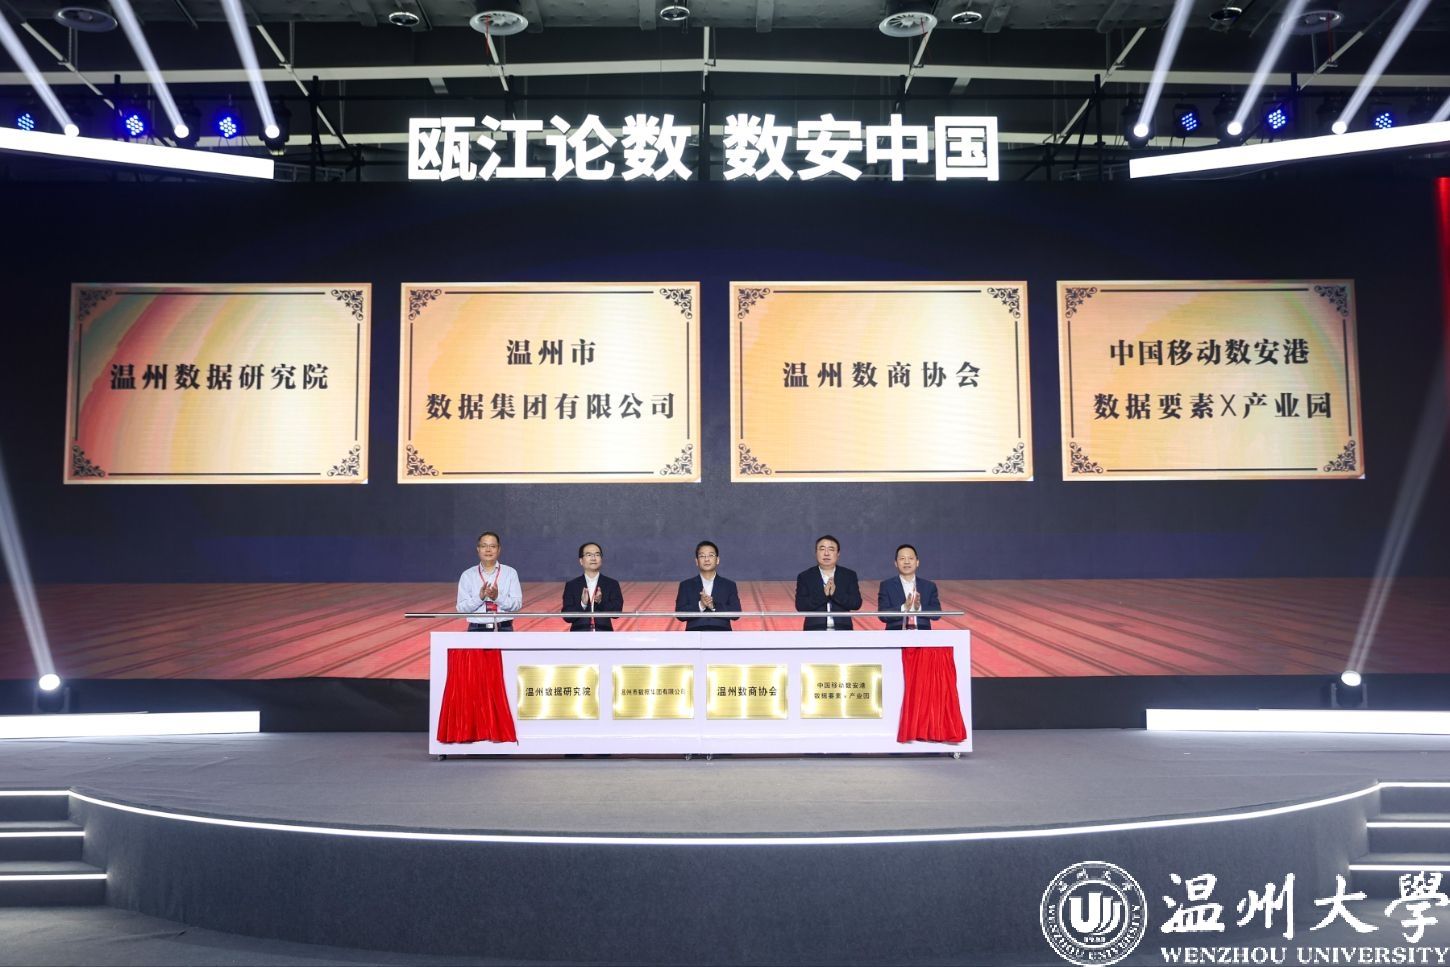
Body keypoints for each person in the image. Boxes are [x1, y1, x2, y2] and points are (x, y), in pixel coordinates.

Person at [456, 531, 522, 631]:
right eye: (484, 546)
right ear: (478, 549)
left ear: (499, 549)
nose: (488, 550)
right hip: (476, 631)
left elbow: (517, 605)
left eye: (492, 546)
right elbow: (461, 609)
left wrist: (497, 597)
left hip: (504, 629)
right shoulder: (467, 575)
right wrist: (479, 598)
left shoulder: (510, 573)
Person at [794, 534, 862, 631]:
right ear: (816, 553)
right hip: (814, 630)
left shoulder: (849, 575)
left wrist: (836, 593)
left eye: (831, 549)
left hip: (843, 630)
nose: (826, 553)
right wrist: (823, 594)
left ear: (838, 553)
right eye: (822, 549)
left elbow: (856, 603)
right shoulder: (805, 576)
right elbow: (800, 606)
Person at [675, 540, 741, 631]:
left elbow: (736, 613)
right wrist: (701, 605)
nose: (706, 559)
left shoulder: (729, 585)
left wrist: (714, 606)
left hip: (722, 635)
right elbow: (679, 614)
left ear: (717, 560)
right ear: (696, 561)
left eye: (711, 555)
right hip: (694, 634)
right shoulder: (686, 585)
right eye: (702, 556)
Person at [561, 542, 624, 631]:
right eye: (589, 555)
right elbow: (567, 617)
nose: (593, 558)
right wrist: (583, 604)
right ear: (581, 561)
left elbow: (617, 613)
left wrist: (601, 602)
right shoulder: (572, 585)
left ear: (601, 559)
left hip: (604, 635)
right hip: (579, 635)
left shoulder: (612, 584)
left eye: (597, 555)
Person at [878, 543, 941, 630]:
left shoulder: (929, 586)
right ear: (896, 563)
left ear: (917, 562)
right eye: (902, 558)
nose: (907, 562)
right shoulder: (887, 586)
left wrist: (919, 608)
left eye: (911, 558)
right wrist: (904, 608)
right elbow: (882, 615)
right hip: (895, 635)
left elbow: (937, 614)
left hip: (923, 635)